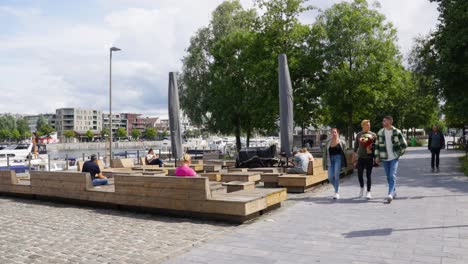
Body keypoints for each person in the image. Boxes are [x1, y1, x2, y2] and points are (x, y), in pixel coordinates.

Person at [375, 116, 407, 203]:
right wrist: (377, 156)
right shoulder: (380, 132)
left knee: (392, 175)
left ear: (389, 122)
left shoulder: (397, 132)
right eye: (383, 120)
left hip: (394, 157)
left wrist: (400, 153)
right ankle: (394, 192)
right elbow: (377, 145)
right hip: (384, 157)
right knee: (388, 177)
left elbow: (404, 144)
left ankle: (390, 194)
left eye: (384, 121)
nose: (383, 122)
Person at [352, 119, 377, 199]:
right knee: (359, 175)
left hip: (369, 157)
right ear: (363, 126)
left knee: (368, 175)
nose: (368, 126)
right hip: (361, 157)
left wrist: (372, 147)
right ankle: (362, 188)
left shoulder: (373, 135)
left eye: (369, 125)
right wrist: (354, 155)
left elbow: (376, 147)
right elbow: (356, 146)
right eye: (367, 125)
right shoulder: (359, 135)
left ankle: (368, 192)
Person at [322, 128, 347, 199]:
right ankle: (337, 186)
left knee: (336, 175)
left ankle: (336, 192)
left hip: (338, 159)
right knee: (330, 177)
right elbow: (325, 153)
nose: (333, 134)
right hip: (330, 160)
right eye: (332, 132)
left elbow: (344, 152)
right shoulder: (328, 142)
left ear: (337, 133)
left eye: (335, 132)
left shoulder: (341, 142)